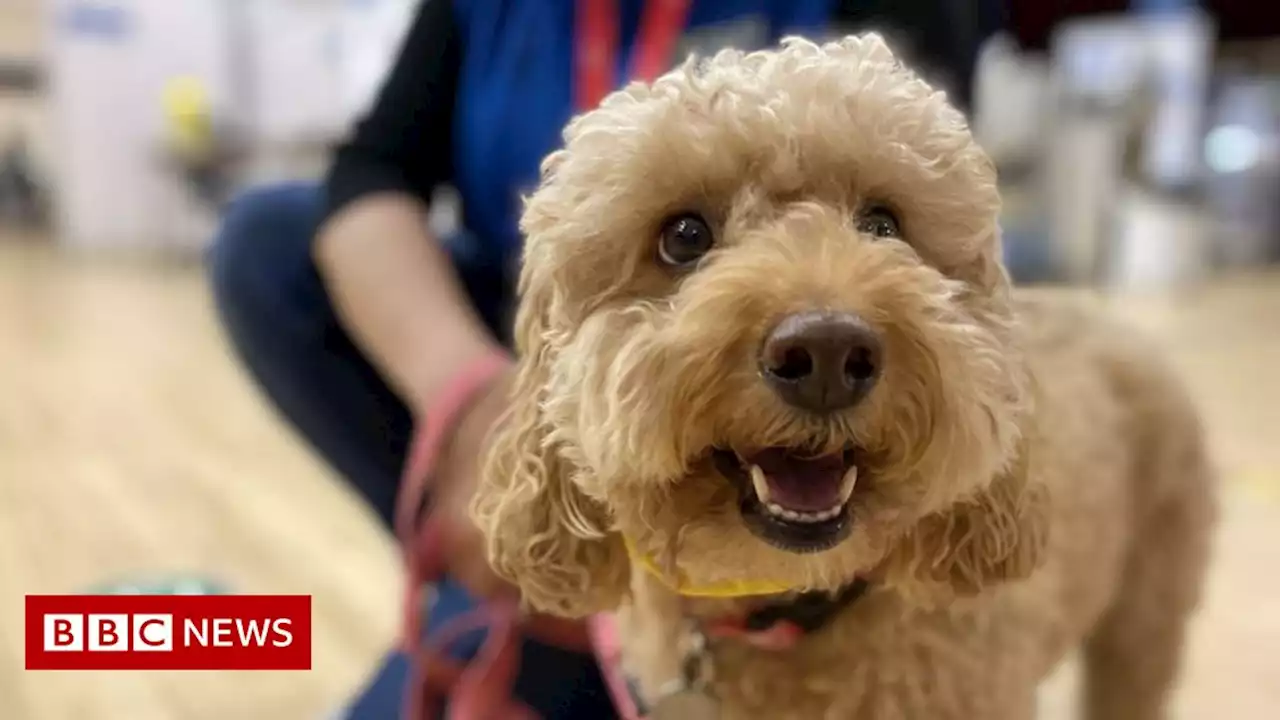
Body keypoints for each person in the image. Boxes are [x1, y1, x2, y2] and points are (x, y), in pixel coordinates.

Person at [207, 1, 998, 716]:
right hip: (556, 353)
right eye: (687, 238)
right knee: (268, 242)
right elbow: (373, 169)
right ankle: (546, 584)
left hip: (847, 529)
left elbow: (955, 218)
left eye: (877, 223)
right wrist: (471, 395)